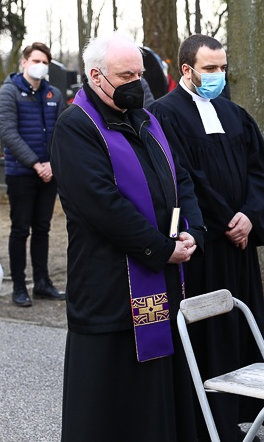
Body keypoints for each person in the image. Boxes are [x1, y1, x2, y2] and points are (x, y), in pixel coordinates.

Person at [51, 34, 205, 442]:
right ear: (96, 76)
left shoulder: (147, 117)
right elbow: (102, 206)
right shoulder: (76, 126)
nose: (137, 82)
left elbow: (181, 178)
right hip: (110, 288)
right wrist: (161, 248)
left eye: (140, 72)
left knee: (159, 392)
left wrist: (192, 231)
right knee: (112, 402)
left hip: (164, 278)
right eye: (126, 75)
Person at [150, 34, 264, 442]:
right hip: (205, 247)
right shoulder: (163, 115)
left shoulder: (234, 113)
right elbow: (186, 180)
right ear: (186, 70)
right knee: (209, 337)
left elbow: (262, 171)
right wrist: (226, 220)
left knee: (240, 331)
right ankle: (207, 423)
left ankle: (242, 418)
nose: (218, 75)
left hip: (239, 245)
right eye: (209, 68)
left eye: (222, 68)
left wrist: (251, 217)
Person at [0, 42, 66, 307]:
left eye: (45, 62)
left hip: (49, 174)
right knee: (20, 229)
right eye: (36, 60)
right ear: (24, 62)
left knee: (43, 229)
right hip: (21, 173)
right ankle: (18, 286)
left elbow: (61, 131)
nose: (41, 66)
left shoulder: (54, 94)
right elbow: (9, 133)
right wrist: (36, 164)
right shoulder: (9, 92)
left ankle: (42, 282)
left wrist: (52, 165)